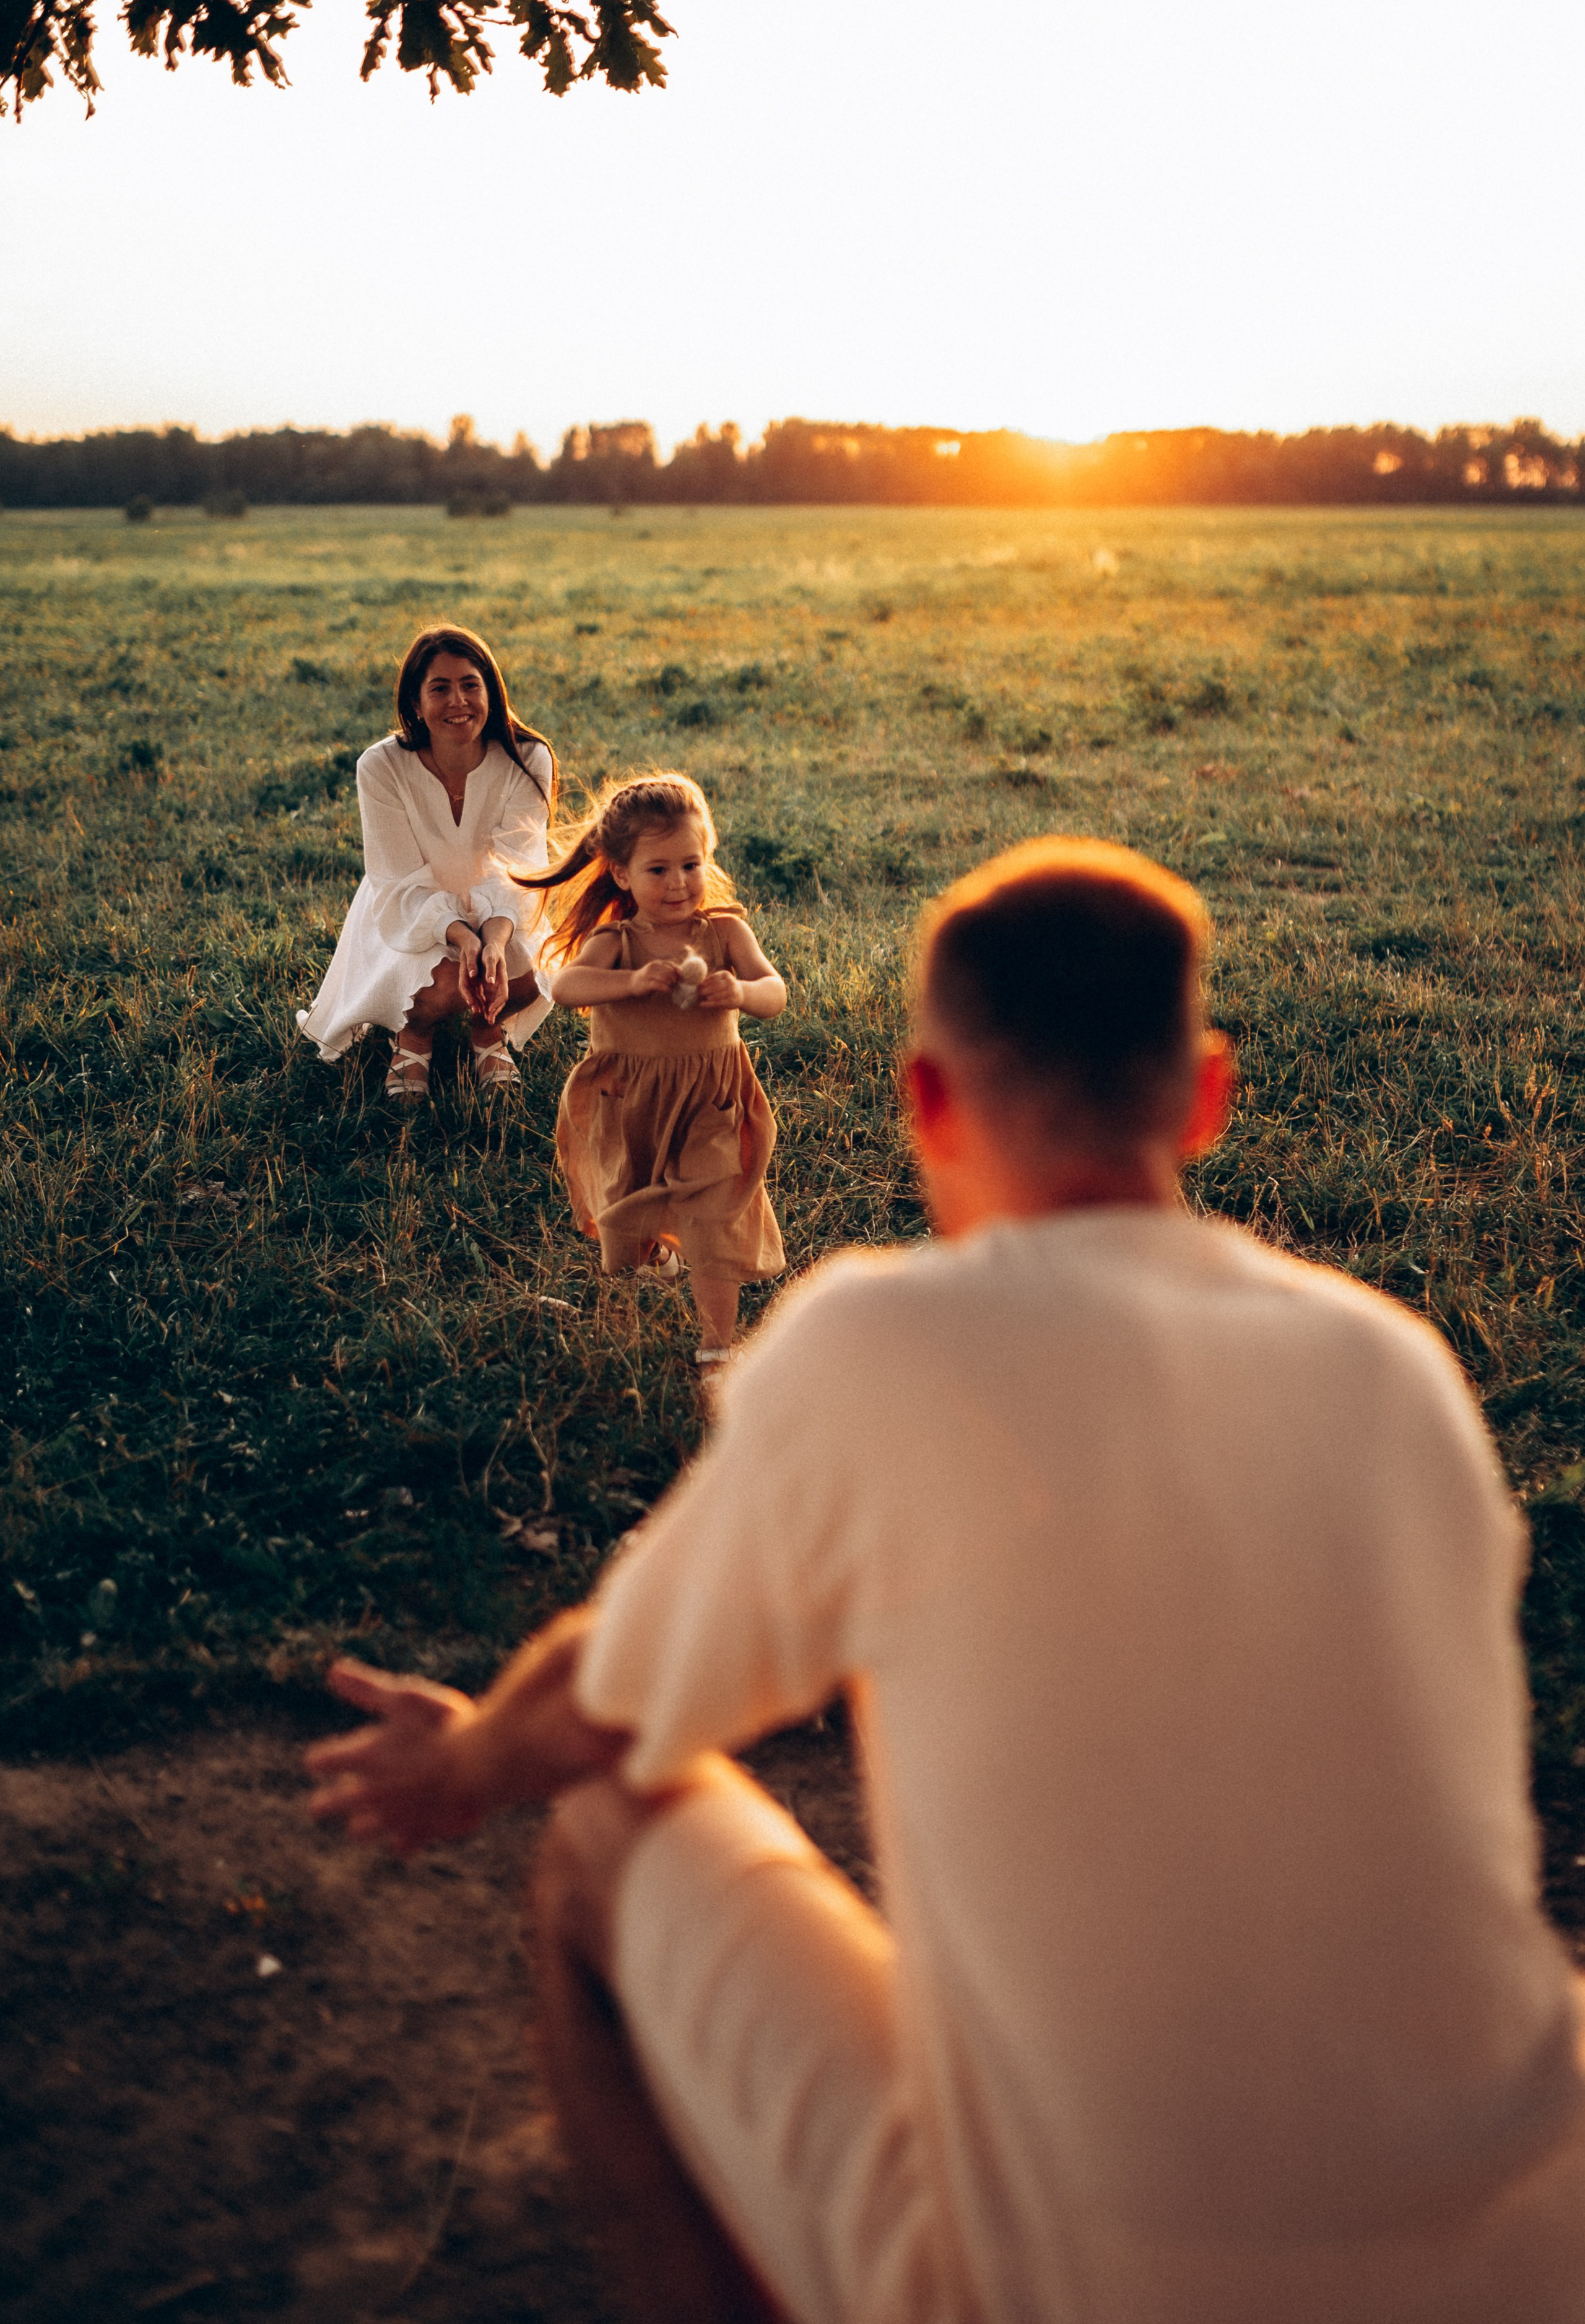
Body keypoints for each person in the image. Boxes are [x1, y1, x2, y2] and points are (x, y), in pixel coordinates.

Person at [306, 836, 1585, 2324]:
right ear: (1205, 1094)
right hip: (1533, 2252)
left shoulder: (880, 1346)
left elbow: (609, 1702)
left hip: (1074, 2280)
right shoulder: (1392, 1366)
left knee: (599, 1823)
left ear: (927, 1105)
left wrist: (463, 1760)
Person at [521, 773, 786, 1379]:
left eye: (690, 864)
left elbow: (775, 992)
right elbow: (567, 986)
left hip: (710, 1100)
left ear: (707, 855)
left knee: (714, 1212)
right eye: (658, 869)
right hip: (632, 1102)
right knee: (627, 1229)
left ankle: (718, 1344)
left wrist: (740, 990)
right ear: (621, 873)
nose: (678, 883)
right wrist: (632, 982)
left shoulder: (724, 932)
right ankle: (660, 1251)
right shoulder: (616, 940)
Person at [296, 623, 555, 1103]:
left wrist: (493, 943)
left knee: (535, 977)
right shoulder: (381, 766)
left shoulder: (528, 756)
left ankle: (487, 1032)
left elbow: (521, 867)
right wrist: (460, 937)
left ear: (491, 693)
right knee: (436, 993)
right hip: (408, 911)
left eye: (470, 685)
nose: (458, 702)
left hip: (502, 907)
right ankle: (413, 1035)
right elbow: (397, 882)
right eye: (440, 689)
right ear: (416, 704)